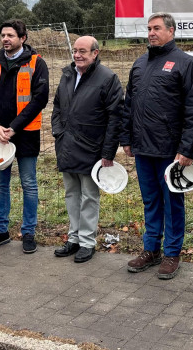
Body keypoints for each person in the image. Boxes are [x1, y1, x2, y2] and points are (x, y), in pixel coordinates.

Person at [121, 12, 193, 279]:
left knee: (172, 202)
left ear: (171, 31)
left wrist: (187, 149)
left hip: (171, 150)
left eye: (156, 28)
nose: (151, 33)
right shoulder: (140, 63)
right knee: (150, 201)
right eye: (149, 28)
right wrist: (127, 139)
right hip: (142, 148)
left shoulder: (185, 63)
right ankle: (151, 249)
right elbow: (128, 104)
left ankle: (171, 253)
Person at [0, 19, 49, 253]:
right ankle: (1, 231)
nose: (5, 39)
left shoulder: (37, 63)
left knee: (29, 184)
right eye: (3, 35)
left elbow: (40, 99)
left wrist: (14, 127)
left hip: (25, 133)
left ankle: (28, 232)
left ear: (22, 38)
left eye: (10, 35)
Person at [51, 36, 123, 263]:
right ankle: (73, 239)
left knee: (89, 197)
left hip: (92, 148)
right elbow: (56, 106)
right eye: (75, 51)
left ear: (95, 53)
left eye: (83, 51)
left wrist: (108, 152)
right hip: (66, 146)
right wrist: (58, 131)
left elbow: (116, 117)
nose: (77, 55)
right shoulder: (67, 74)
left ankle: (87, 242)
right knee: (71, 194)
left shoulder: (108, 78)